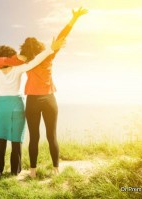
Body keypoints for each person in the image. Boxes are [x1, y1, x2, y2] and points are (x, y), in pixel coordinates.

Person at [0, 38, 65, 175]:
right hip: (17, 104)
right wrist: (50, 49)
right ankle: (15, 171)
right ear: (10, 56)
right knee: (16, 139)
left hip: (3, 105)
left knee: (1, 138)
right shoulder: (19, 68)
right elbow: (37, 60)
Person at [19, 7, 88, 177]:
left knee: (33, 137)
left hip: (32, 101)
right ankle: (56, 169)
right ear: (40, 46)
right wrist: (74, 18)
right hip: (49, 99)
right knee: (52, 135)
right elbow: (62, 36)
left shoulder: (26, 61)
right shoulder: (48, 55)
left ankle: (33, 172)